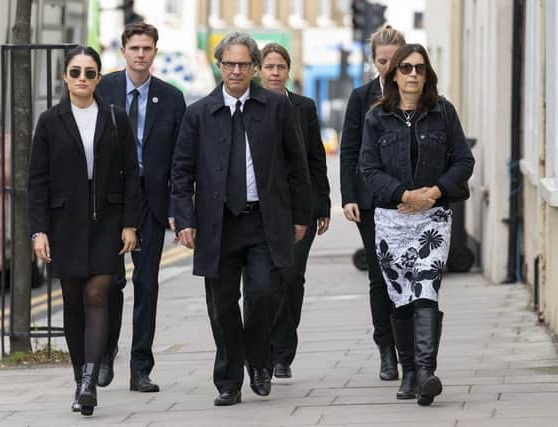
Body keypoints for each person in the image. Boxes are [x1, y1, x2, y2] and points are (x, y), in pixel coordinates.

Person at [171, 32, 312, 406]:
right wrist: (184, 218)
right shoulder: (198, 113)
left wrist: (301, 215)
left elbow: (298, 166)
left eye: (243, 64)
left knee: (265, 293)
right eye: (229, 64)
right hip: (217, 224)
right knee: (221, 304)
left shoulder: (276, 108)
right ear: (220, 66)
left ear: (254, 67)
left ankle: (260, 361)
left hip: (265, 221)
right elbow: (181, 173)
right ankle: (229, 380)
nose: (236, 71)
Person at [359, 43, 475, 406]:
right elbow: (368, 169)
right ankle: (407, 371)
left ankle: (425, 372)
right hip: (391, 220)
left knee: (426, 288)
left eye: (419, 69)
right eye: (405, 68)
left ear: (428, 75)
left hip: (432, 220)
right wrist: (405, 195)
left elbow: (464, 161)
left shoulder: (443, 112)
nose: (412, 74)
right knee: (400, 297)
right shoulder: (376, 117)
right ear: (393, 74)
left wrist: (435, 192)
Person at [29, 46, 141, 416]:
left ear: (98, 78)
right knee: (74, 303)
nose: (82, 79)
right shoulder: (49, 121)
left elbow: (130, 176)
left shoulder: (114, 118)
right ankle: (80, 378)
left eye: (90, 73)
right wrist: (38, 231)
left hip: (106, 220)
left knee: (98, 295)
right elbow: (38, 181)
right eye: (75, 72)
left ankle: (90, 382)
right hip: (65, 223)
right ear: (65, 76)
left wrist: (129, 223)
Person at [96, 22, 186, 393]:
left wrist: (179, 208)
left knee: (147, 285)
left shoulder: (172, 97)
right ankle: (104, 354)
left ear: (155, 52)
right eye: (134, 48)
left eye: (147, 48)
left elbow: (182, 158)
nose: (140, 54)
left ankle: (140, 367)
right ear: (123, 51)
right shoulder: (103, 89)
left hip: (151, 202)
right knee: (111, 282)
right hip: (111, 202)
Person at [258, 43, 331, 379]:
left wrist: (323, 203)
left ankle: (282, 353)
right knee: (264, 280)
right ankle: (263, 345)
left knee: (291, 278)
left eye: (280, 67)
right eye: (269, 66)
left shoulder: (303, 107)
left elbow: (316, 157)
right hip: (260, 209)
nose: (275, 73)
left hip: (300, 208)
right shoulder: (250, 107)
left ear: (288, 71)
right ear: (260, 70)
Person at [340, 25, 405, 382]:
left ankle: (408, 347)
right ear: (373, 60)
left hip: (408, 201)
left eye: (394, 60)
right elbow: (348, 149)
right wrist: (348, 197)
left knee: (406, 276)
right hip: (369, 201)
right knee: (380, 276)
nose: (389, 68)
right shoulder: (360, 97)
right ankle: (386, 351)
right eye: (382, 61)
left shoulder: (417, 93)